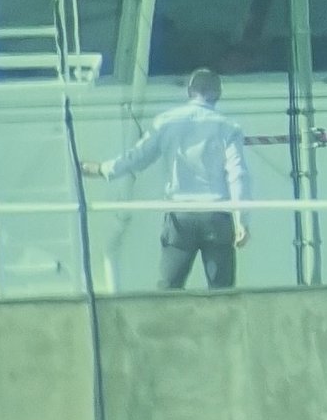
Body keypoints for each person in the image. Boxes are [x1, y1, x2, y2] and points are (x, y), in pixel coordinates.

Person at [84, 67, 252, 290]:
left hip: (179, 216)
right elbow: (238, 174)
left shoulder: (166, 122)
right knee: (222, 290)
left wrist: (103, 169)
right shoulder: (229, 128)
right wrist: (241, 219)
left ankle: (168, 323)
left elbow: (137, 157)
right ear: (218, 93)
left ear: (189, 92)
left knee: (170, 288)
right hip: (217, 215)